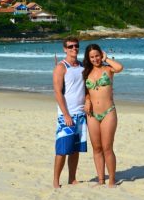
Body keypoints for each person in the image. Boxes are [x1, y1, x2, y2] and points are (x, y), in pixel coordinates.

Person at [82, 44, 124, 187]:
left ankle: (112, 179)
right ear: (88, 58)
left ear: (101, 55)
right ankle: (101, 180)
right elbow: (86, 91)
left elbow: (120, 68)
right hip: (92, 114)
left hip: (108, 113)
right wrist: (87, 100)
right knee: (97, 148)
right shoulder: (86, 72)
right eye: (92, 57)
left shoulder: (108, 69)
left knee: (107, 147)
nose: (95, 59)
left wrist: (107, 59)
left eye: (97, 56)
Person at [52, 37, 87, 188]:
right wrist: (66, 115)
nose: (74, 48)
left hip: (81, 114)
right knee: (62, 149)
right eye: (70, 46)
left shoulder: (82, 66)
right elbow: (58, 93)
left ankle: (72, 178)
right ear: (65, 49)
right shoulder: (61, 67)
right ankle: (56, 180)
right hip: (66, 115)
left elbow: (86, 88)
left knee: (75, 149)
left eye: (76, 46)